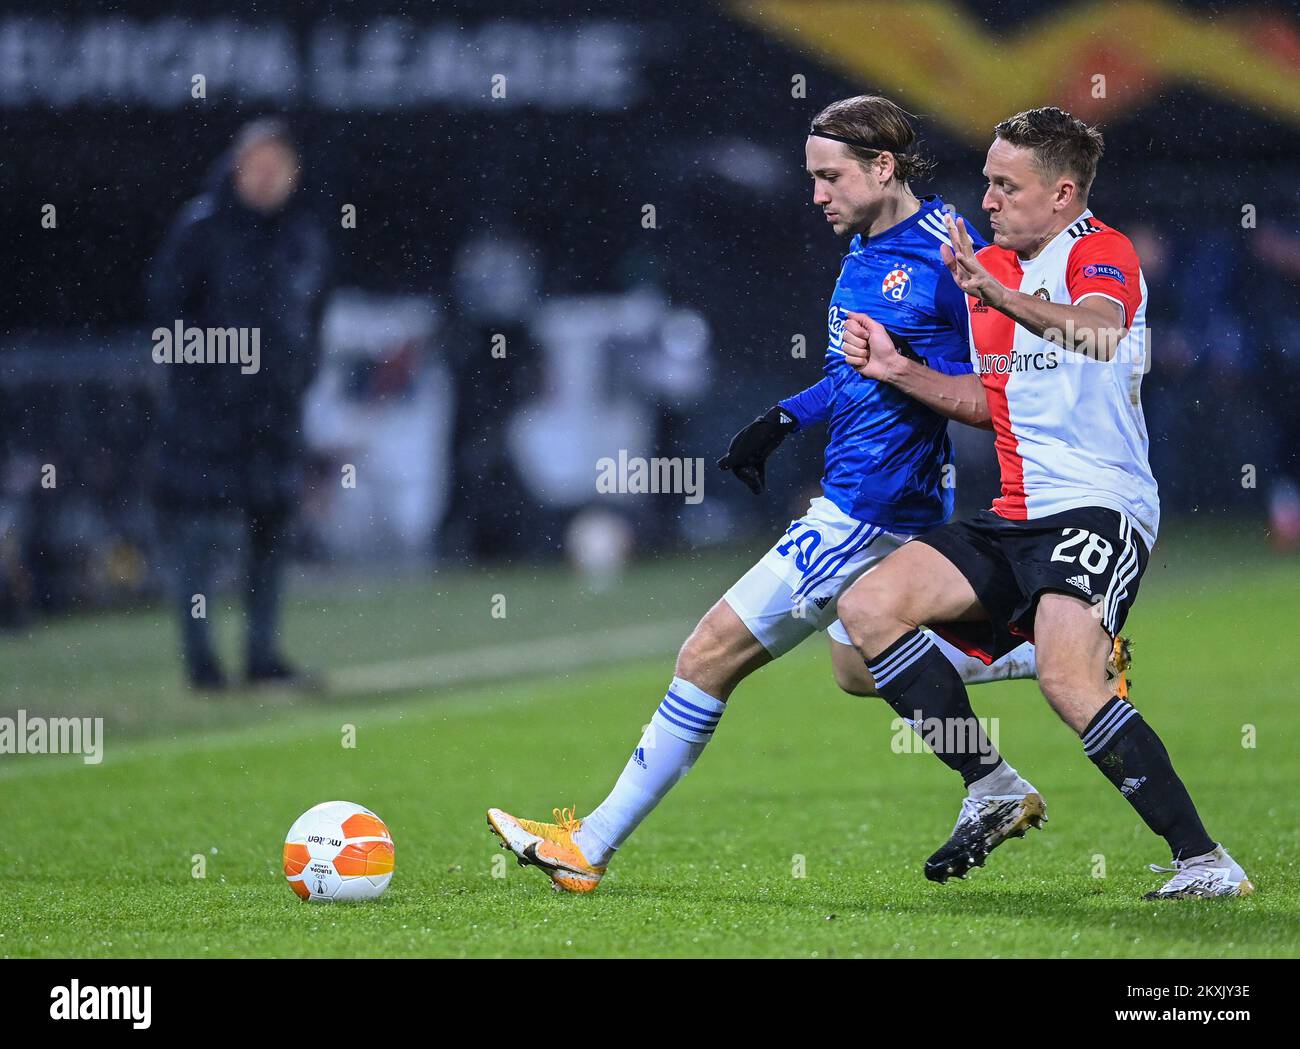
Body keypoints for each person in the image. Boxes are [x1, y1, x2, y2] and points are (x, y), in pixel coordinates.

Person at [485, 96, 1056, 894]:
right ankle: (1049, 658)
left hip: (867, 510)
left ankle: (590, 846)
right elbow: (849, 378)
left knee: (707, 652)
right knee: (859, 666)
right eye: (811, 178)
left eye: (830, 177)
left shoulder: (945, 257)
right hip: (883, 505)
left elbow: (999, 385)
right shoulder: (868, 248)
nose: (816, 194)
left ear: (882, 167)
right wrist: (782, 418)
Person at [835, 107, 1252, 899]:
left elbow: (1097, 334)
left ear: (1061, 193)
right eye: (986, 182)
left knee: (1070, 683)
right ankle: (990, 781)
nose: (987, 200)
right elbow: (994, 401)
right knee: (861, 625)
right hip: (1017, 509)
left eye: (1005, 185)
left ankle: (1206, 863)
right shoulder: (987, 269)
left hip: (1101, 502)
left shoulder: (1101, 251)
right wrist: (898, 370)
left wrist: (996, 290)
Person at [147, 118, 330, 691]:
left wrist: (295, 381)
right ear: (235, 168)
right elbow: (166, 316)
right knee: (202, 540)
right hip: (207, 422)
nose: (267, 175)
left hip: (273, 420)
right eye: (256, 163)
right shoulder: (201, 231)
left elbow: (312, 322)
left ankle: (261, 656)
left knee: (269, 537)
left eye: (279, 165)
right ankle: (202, 664)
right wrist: (210, 381)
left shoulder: (303, 238)